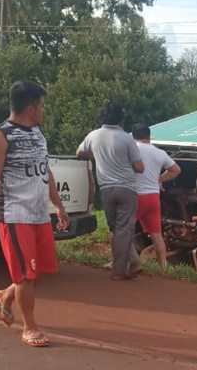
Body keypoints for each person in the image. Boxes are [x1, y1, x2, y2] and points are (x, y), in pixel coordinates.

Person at [0, 80, 70, 348]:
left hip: (40, 215)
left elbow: (46, 171)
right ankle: (29, 327)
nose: (44, 111)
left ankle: (6, 294)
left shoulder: (38, 134)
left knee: (44, 269)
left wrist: (58, 205)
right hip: (15, 216)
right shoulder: (0, 137)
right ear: (30, 108)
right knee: (26, 276)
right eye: (42, 106)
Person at [76, 101, 144, 280]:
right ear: (121, 119)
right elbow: (139, 167)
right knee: (125, 229)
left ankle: (134, 261)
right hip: (127, 188)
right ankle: (119, 271)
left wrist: (96, 155)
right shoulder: (127, 138)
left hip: (106, 189)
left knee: (117, 229)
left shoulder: (93, 135)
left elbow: (79, 153)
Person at [132, 123, 181, 273]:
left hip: (136, 196)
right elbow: (176, 170)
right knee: (156, 234)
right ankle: (163, 267)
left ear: (133, 137)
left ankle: (121, 261)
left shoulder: (132, 151)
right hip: (153, 197)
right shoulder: (159, 152)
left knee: (122, 230)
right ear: (149, 136)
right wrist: (159, 178)